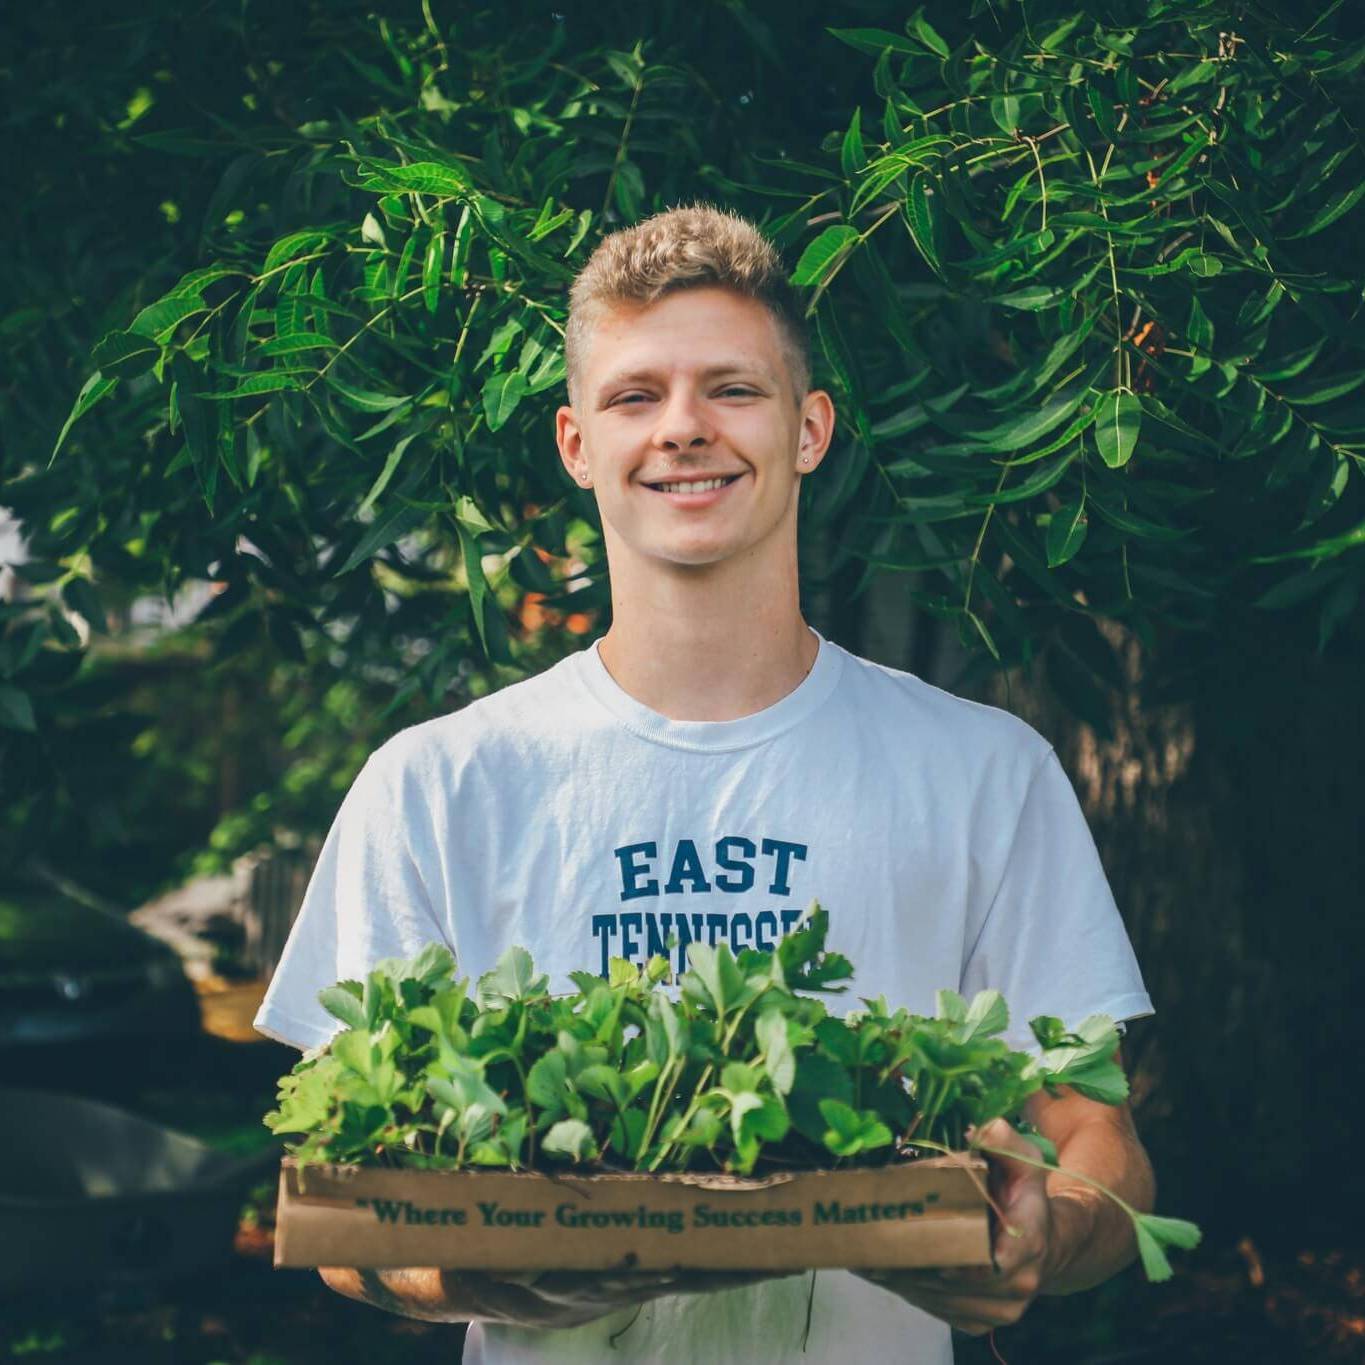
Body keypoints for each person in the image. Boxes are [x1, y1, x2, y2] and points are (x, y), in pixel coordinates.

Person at [253, 203, 1157, 1363]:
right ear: (578, 445)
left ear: (810, 429)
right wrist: (451, 1264)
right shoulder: (437, 785)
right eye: (635, 396)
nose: (683, 428)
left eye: (732, 389)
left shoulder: (983, 772)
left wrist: (1047, 1235)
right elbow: (345, 1195)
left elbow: (1098, 1137)